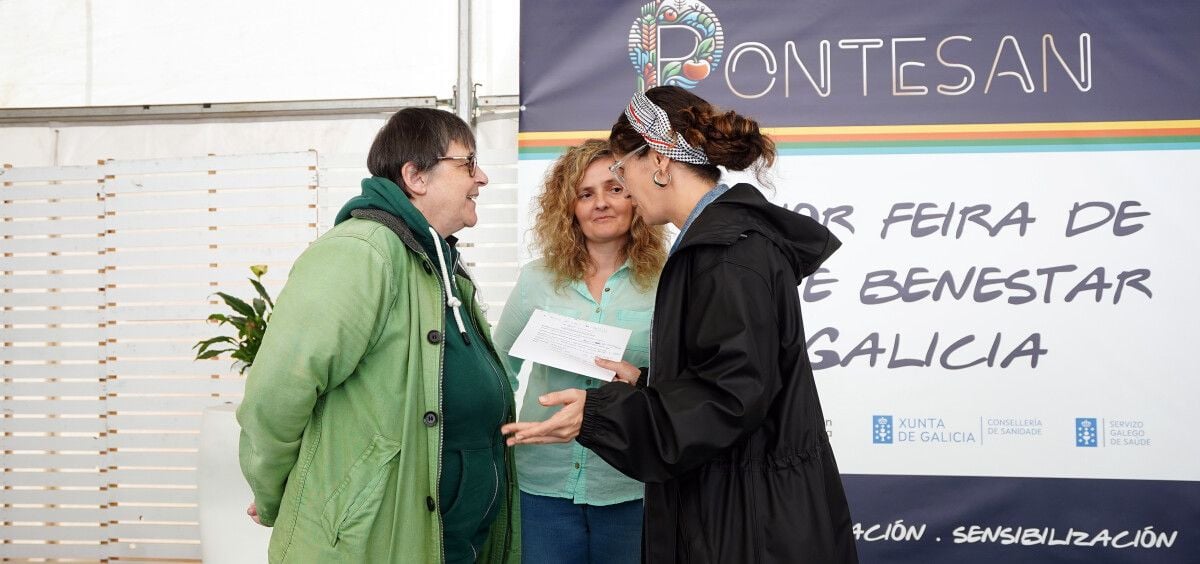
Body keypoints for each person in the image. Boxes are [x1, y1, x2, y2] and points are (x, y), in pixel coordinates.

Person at [501, 86, 859, 563]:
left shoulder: (728, 256)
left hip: (750, 522)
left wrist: (600, 414)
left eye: (620, 171)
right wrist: (646, 381)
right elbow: (729, 381)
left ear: (659, 161)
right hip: (739, 506)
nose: (621, 186)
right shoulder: (716, 247)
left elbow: (729, 401)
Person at [237, 107, 519, 563]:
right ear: (416, 176)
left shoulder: (439, 263)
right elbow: (276, 394)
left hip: (451, 543)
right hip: (373, 544)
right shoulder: (360, 254)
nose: (481, 177)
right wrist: (274, 496)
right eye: (467, 163)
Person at [493, 140, 665, 564]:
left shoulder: (669, 280)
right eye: (585, 194)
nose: (600, 204)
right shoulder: (536, 280)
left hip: (630, 483)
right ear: (568, 207)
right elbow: (498, 371)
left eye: (615, 189)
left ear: (637, 196)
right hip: (542, 484)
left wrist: (642, 378)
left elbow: (686, 383)